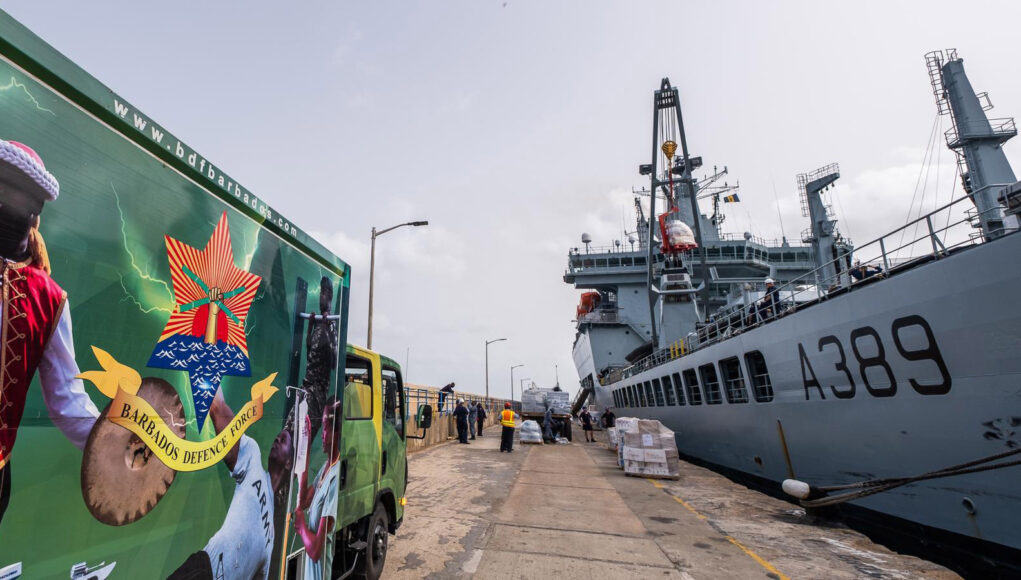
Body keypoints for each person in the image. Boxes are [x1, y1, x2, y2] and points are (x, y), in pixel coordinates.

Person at [0, 139, 100, 527]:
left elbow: (68, 400)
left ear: (36, 211)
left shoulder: (48, 298)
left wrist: (117, 443)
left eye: (21, 196)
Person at [168, 391, 291, 579]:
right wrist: (212, 386)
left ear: (289, 463)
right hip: (205, 569)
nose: (277, 439)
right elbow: (219, 409)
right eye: (278, 436)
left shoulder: (271, 537)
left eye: (283, 440)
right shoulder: (253, 459)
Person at [294, 396, 343, 580]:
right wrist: (305, 446)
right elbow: (304, 501)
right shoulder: (325, 468)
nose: (322, 434)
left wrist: (301, 527)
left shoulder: (334, 478)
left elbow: (315, 551)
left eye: (325, 427)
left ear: (336, 432)